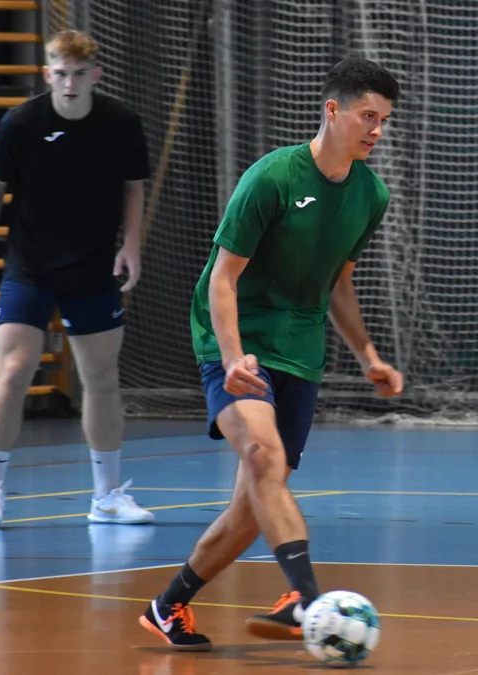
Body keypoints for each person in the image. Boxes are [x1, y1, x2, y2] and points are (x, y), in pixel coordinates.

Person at [137, 58, 404, 651]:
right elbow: (222, 279)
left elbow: (338, 282)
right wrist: (232, 357)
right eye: (368, 116)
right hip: (234, 337)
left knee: (254, 506)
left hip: (300, 348)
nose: (377, 130)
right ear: (332, 111)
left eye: (384, 120)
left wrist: (367, 355)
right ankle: (306, 598)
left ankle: (167, 604)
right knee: (261, 453)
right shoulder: (272, 178)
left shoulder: (371, 195)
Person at [0, 30, 154, 529]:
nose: (69, 84)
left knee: (101, 377)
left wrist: (130, 245)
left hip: (93, 267)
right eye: (60, 73)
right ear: (47, 74)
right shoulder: (20, 124)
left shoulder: (121, 123)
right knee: (13, 369)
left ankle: (107, 496)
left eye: (79, 74)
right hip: (29, 265)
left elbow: (132, 187)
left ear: (95, 75)